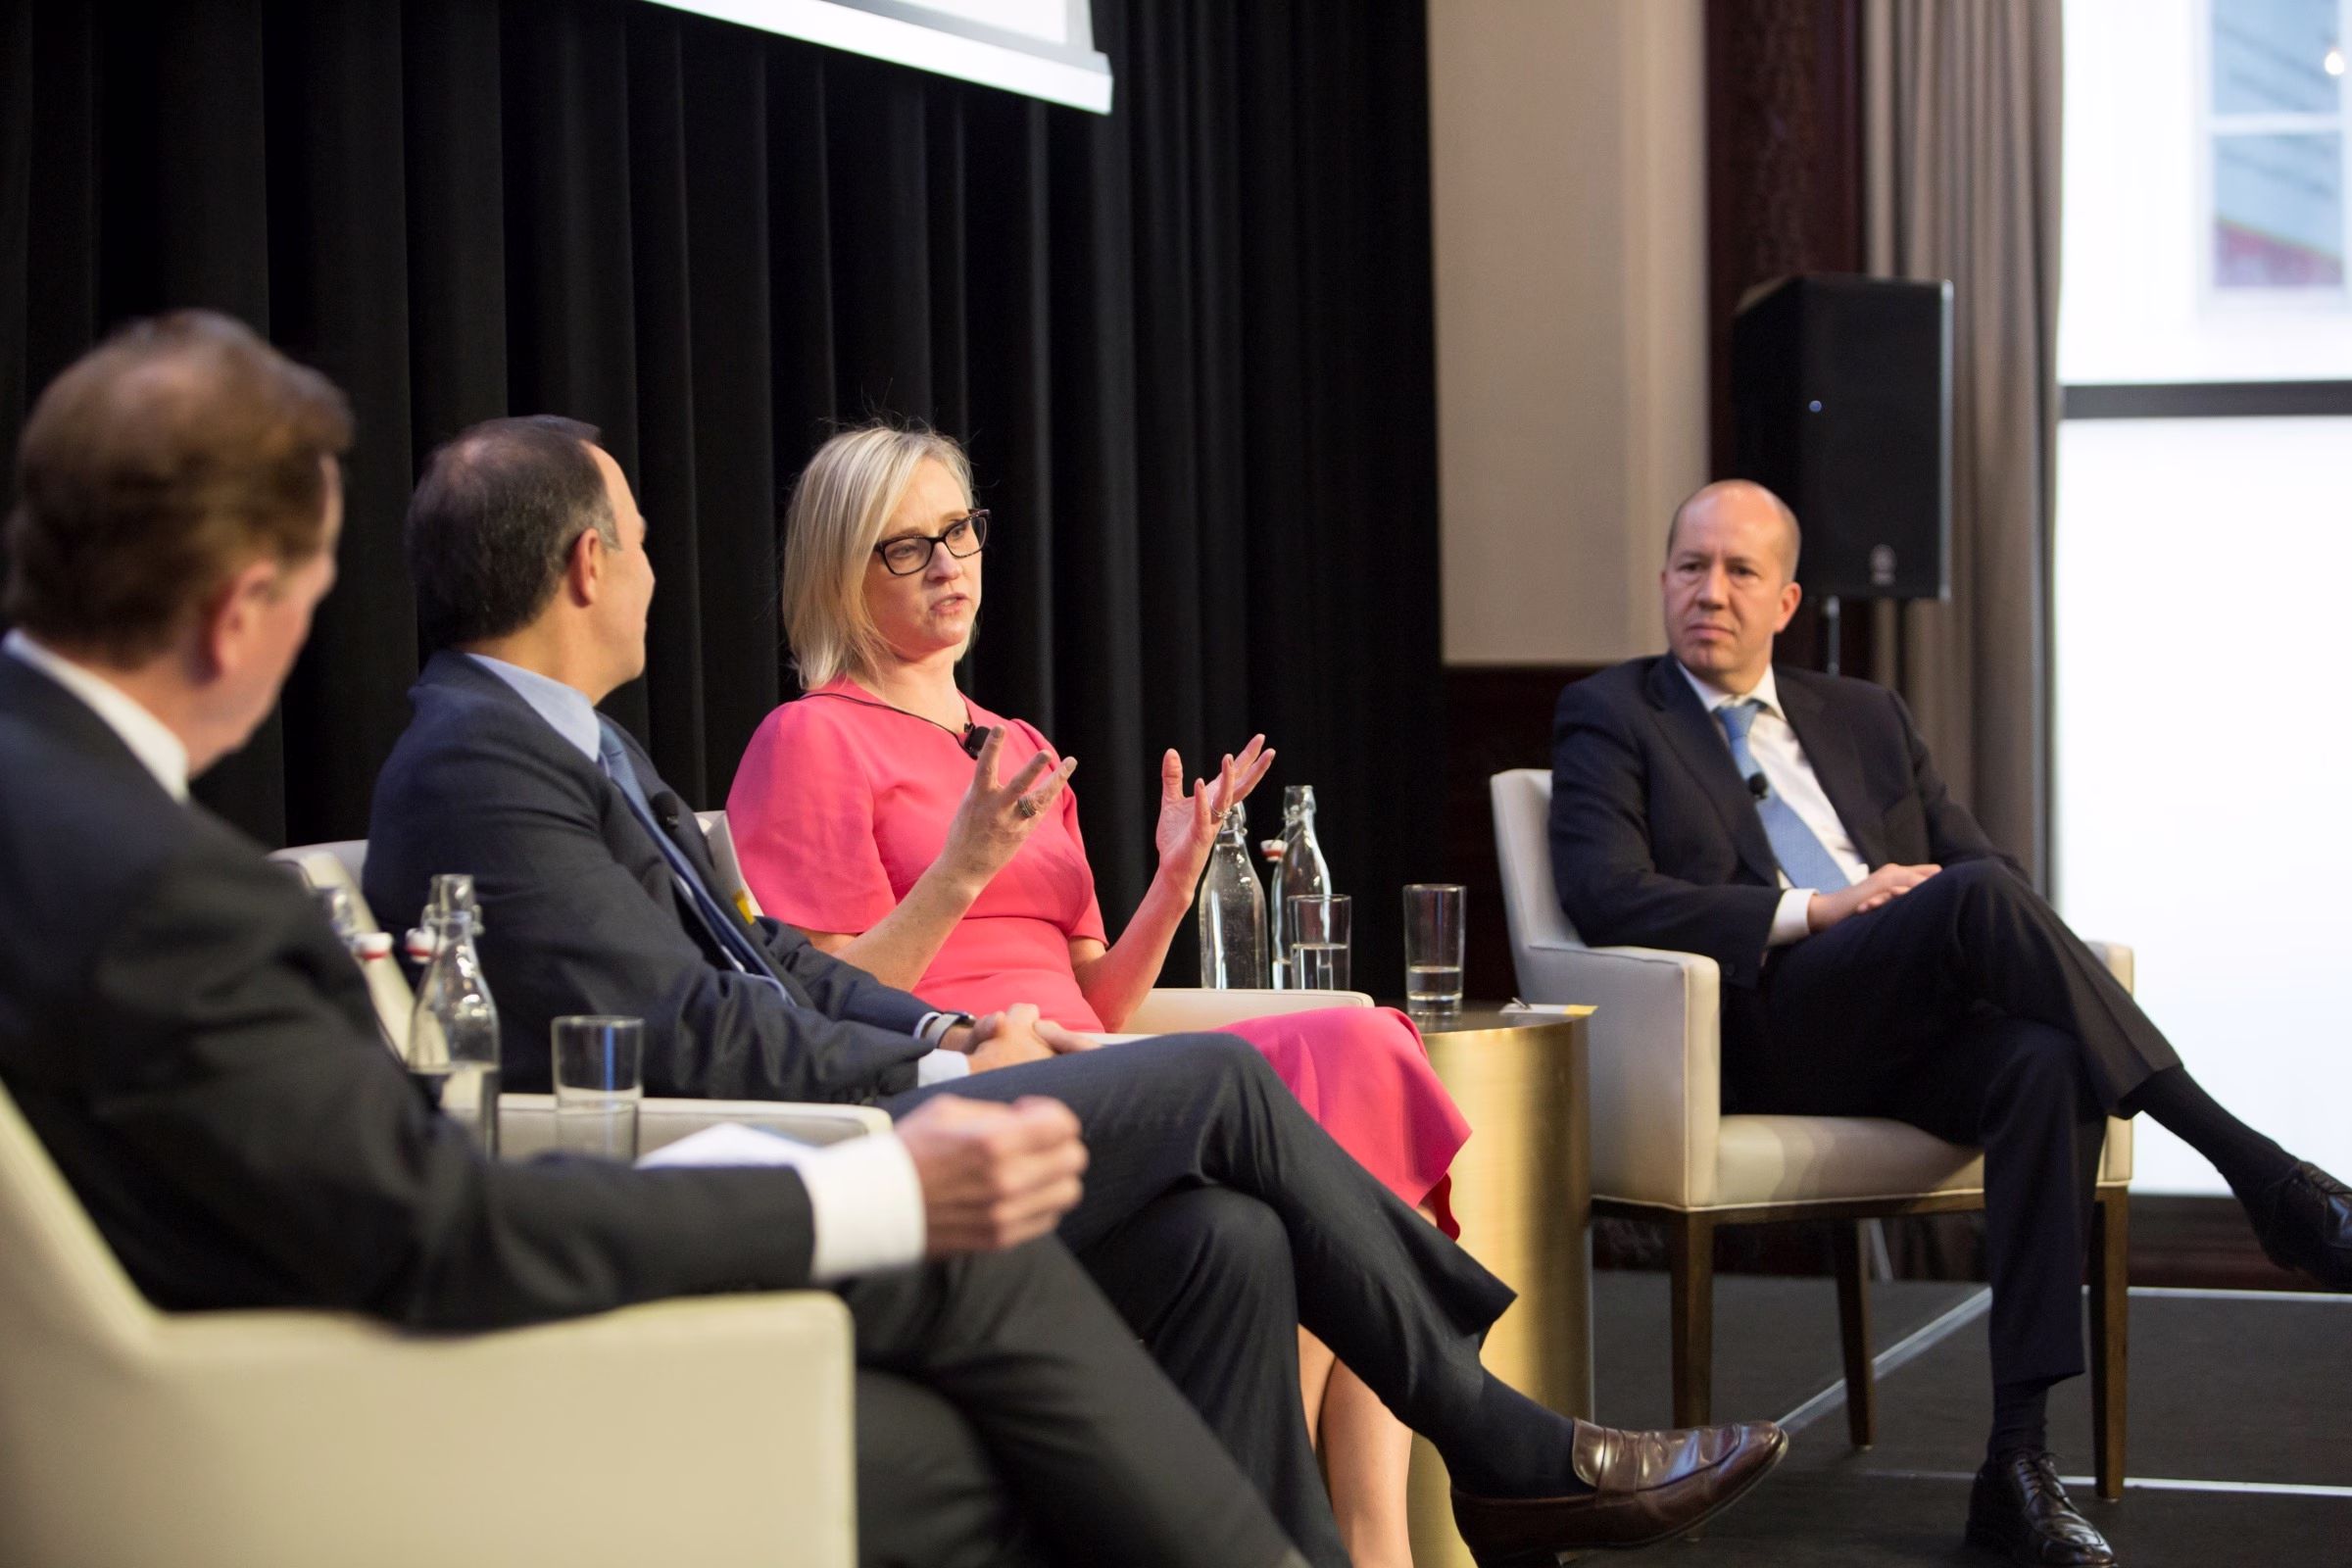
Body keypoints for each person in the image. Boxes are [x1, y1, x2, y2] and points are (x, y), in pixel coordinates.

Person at [0, 312, 1324, 1568]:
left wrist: (927, 1057)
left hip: (260, 1372)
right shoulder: (165, 891)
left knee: (1122, 1326)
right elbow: (433, 1216)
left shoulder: (67, 826)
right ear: (239, 613)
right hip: (339, 1423)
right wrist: (862, 1186)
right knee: (1010, 1346)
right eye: (312, 591)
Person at [364, 414, 1788, 1566]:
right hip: (795, 1161)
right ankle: (1499, 1441)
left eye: (959, 534)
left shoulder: (588, 753)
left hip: (919, 1078)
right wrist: (932, 1070)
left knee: (1231, 1242)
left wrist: (944, 1028)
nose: (660, 572)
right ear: (585, 567)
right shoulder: (483, 764)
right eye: (644, 542)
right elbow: (679, 1032)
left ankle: (1441, 1474)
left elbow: (770, 965)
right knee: (1234, 1081)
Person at [1548, 477, 2352, 1568]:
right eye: (1691, 566)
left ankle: (2015, 1466)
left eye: (1741, 571)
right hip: (1762, 1023)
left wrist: (1923, 912)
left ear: (1787, 600)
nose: (1712, 592)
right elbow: (1608, 894)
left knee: (2045, 1059)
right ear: (1663, 581)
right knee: (1970, 904)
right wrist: (1823, 906)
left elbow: (1991, 871)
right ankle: (2260, 1171)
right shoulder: (1613, 713)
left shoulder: (1866, 717)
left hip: (1908, 1021)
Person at [724, 423, 1470, 1568]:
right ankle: (1401, 1526)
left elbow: (1101, 999)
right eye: (907, 546)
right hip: (970, 1084)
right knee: (1342, 1077)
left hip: (1093, 1064)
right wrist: (960, 868)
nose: (949, 565)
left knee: (1354, 1053)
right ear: (839, 569)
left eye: (961, 531)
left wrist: (1173, 882)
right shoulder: (807, 741)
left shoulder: (1015, 740)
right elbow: (821, 1005)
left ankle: (1375, 1532)